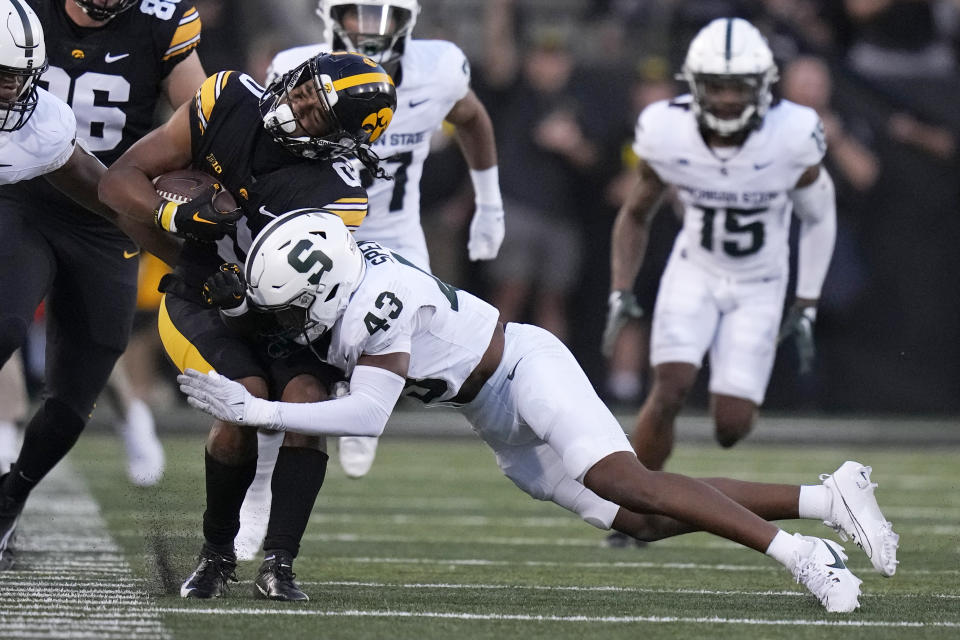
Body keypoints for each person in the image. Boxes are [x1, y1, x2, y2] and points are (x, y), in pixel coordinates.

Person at [178, 210, 899, 613]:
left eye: (298, 304)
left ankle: (802, 559)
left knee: (625, 479)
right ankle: (826, 497)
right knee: (642, 520)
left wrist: (261, 412)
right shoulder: (340, 272)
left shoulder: (373, 303)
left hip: (520, 367)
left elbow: (367, 413)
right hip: (490, 413)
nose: (293, 319)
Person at [99, 51, 398, 601]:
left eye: (314, 114)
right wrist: (176, 219)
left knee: (305, 405)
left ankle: (279, 563)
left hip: (289, 314)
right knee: (245, 400)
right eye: (304, 91)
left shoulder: (335, 196)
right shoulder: (227, 99)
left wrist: (245, 294)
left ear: (339, 140)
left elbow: (296, 300)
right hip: (201, 299)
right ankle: (216, 556)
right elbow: (118, 183)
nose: (295, 105)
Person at [235, 0, 505, 561]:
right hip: (316, 227)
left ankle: (358, 412)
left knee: (387, 350)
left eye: (383, 15)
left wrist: (490, 204)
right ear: (332, 17)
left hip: (396, 238)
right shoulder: (299, 68)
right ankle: (259, 484)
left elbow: (472, 117)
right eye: (357, 14)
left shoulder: (439, 67)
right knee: (284, 359)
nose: (370, 28)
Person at [0, 0, 193, 570]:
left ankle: (9, 500)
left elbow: (104, 195)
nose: (11, 92)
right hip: (19, 209)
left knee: (75, 394)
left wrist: (185, 257)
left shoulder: (41, 125)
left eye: (18, 79)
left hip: (95, 222)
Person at [602, 19, 837, 481]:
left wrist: (806, 300)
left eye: (739, 87)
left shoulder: (792, 133)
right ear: (695, 85)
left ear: (763, 87)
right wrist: (620, 287)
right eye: (717, 86)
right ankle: (633, 502)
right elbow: (634, 213)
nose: (728, 98)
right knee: (668, 388)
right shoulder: (665, 129)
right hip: (695, 270)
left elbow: (819, 215)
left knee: (730, 426)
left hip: (760, 282)